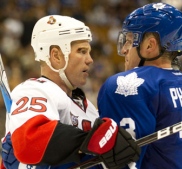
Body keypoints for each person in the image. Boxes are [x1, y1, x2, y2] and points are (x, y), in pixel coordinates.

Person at [1, 15, 140, 169]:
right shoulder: (34, 90)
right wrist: (92, 139)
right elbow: (29, 141)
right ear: (56, 56)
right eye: (82, 51)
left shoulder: (89, 109)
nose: (90, 60)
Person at [97, 2, 182, 169]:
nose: (125, 49)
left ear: (150, 45)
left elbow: (122, 164)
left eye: (129, 41)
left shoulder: (127, 84)